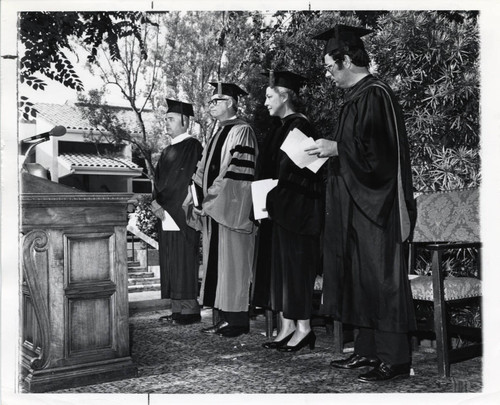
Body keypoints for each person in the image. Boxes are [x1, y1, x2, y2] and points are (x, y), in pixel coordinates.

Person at [306, 25, 417, 382]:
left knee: (381, 279)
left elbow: (381, 157)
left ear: (348, 59)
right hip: (355, 203)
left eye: (329, 65)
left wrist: (337, 148)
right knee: (359, 277)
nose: (327, 73)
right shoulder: (357, 96)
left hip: (376, 205)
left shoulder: (376, 94)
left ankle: (395, 359)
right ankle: (367, 352)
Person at [256, 70, 325, 352]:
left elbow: (305, 174)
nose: (265, 102)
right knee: (280, 270)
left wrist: (275, 196)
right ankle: (286, 326)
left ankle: (304, 328)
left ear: (285, 96)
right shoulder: (279, 127)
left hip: (298, 211)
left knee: (296, 269)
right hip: (279, 208)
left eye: (270, 96)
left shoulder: (302, 127)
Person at [190, 82, 258, 338]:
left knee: (233, 264)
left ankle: (237, 320)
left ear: (230, 102)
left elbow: (236, 172)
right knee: (218, 264)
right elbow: (202, 171)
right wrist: (196, 201)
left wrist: (209, 202)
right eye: (210, 101)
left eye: (216, 100)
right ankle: (224, 318)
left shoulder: (242, 131)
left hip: (230, 211)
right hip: (213, 210)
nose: (211, 105)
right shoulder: (217, 133)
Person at [151, 99, 203, 325]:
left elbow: (184, 180)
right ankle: (176, 310)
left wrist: (165, 203)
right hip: (165, 212)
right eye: (166, 120)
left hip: (182, 211)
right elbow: (158, 182)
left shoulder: (193, 146)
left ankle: (190, 311)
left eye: (171, 119)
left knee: (183, 261)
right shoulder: (166, 152)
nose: (167, 124)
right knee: (171, 261)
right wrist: (155, 204)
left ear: (185, 120)